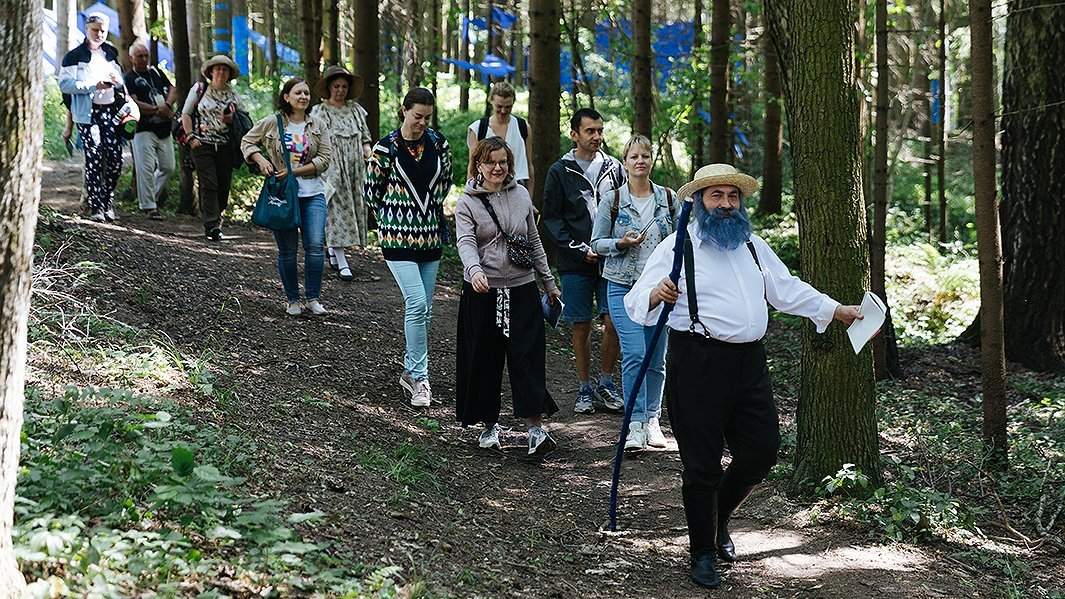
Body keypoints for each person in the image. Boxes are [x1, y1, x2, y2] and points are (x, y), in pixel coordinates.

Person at [623, 163, 863, 589]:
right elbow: (635, 302)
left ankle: (719, 515)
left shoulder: (752, 244)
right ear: (699, 202)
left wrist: (835, 310)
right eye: (716, 196)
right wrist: (657, 293)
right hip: (697, 363)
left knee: (762, 451)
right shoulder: (677, 248)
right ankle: (702, 552)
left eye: (733, 197)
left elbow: (786, 289)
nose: (727, 205)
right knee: (701, 464)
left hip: (749, 364)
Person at [455, 138, 562, 456]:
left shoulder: (520, 195)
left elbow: (533, 240)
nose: (498, 168)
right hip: (483, 290)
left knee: (527, 356)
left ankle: (535, 430)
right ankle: (489, 426)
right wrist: (474, 271)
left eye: (503, 162)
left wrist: (549, 283)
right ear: (478, 165)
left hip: (521, 287)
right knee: (485, 358)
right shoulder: (467, 202)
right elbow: (465, 241)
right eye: (491, 162)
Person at [365, 88, 453, 408]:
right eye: (417, 116)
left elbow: (445, 183)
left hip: (430, 238)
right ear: (403, 111)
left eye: (427, 117)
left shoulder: (438, 143)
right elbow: (371, 192)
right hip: (397, 239)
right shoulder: (385, 147)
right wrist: (393, 216)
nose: (422, 123)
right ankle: (420, 377)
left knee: (425, 310)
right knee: (416, 303)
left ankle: (408, 368)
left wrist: (425, 213)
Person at [591, 135, 677, 451]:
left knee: (656, 357)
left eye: (645, 156)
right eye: (633, 156)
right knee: (635, 352)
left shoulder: (668, 200)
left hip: (659, 289)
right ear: (624, 162)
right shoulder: (612, 200)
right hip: (622, 287)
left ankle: (653, 420)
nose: (639, 161)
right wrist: (620, 243)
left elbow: (682, 243)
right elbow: (595, 243)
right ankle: (635, 423)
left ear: (651, 160)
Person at [541, 107, 626, 415]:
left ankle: (606, 383)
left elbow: (626, 207)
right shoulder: (559, 171)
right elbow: (552, 219)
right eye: (590, 131)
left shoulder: (615, 168)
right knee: (581, 324)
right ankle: (584, 389)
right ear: (574, 134)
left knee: (613, 321)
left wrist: (615, 244)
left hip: (612, 261)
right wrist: (579, 249)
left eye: (600, 130)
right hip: (574, 262)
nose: (597, 137)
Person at [242, 78, 333, 316]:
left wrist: (295, 171)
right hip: (283, 194)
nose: (303, 96)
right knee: (287, 250)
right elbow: (247, 141)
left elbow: (325, 159)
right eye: (298, 93)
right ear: (286, 97)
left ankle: (313, 298)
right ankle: (293, 300)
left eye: (306, 93)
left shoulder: (318, 125)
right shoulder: (273, 123)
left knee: (315, 247)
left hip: (313, 193)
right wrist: (260, 159)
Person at [59, 12, 125, 223]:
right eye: (95, 30)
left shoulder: (111, 52)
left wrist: (116, 80)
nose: (99, 34)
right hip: (87, 113)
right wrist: (93, 85)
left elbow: (121, 82)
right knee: (94, 155)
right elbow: (65, 85)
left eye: (103, 30)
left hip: (110, 111)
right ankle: (97, 206)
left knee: (115, 159)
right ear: (87, 29)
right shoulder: (74, 56)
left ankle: (107, 201)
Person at [310, 65, 374, 282]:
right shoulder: (320, 111)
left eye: (344, 86)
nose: (340, 90)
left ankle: (335, 252)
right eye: (336, 86)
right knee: (336, 209)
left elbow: (365, 138)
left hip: (355, 168)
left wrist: (369, 156)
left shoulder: (356, 110)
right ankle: (341, 258)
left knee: (353, 208)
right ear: (329, 88)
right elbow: (315, 140)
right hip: (332, 167)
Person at [182, 54, 242, 241]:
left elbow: (244, 120)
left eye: (225, 69)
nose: (221, 72)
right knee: (209, 183)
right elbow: (186, 113)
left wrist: (232, 119)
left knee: (223, 185)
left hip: (225, 145)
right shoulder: (200, 89)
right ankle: (211, 225)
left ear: (229, 74)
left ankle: (217, 219)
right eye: (217, 69)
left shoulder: (234, 95)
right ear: (210, 72)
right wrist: (191, 137)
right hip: (202, 144)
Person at [124, 42, 178, 220]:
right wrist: (156, 109)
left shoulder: (155, 72)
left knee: (168, 166)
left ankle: (149, 197)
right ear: (132, 58)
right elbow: (133, 102)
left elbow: (172, 88)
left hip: (164, 126)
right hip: (142, 128)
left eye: (146, 55)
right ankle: (149, 206)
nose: (144, 59)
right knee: (146, 167)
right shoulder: (129, 78)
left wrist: (168, 105)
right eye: (140, 56)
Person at [465, 81, 533, 189]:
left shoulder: (523, 127)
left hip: (517, 186)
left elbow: (529, 165)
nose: (503, 111)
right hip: (486, 186)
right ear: (491, 100)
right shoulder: (478, 129)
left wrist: (529, 198)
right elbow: (472, 166)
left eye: (508, 107)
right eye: (499, 106)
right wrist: (469, 193)